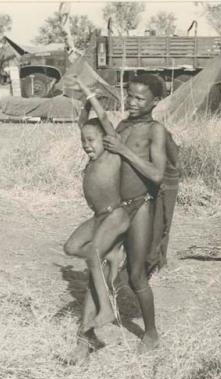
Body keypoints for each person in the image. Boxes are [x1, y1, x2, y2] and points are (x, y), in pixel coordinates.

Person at [66, 74, 171, 362]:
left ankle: (150, 334)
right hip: (115, 208)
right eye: (131, 96)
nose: (133, 103)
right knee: (95, 268)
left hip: (140, 208)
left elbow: (157, 175)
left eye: (141, 98)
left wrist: (124, 150)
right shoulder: (122, 126)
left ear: (155, 101)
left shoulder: (154, 130)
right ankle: (83, 343)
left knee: (136, 275)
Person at [63, 76, 130, 334]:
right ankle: (111, 254)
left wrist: (89, 94)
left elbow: (102, 120)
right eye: (83, 141)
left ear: (105, 139)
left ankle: (107, 309)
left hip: (116, 213)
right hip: (99, 216)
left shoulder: (112, 152)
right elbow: (85, 122)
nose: (86, 145)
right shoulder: (92, 157)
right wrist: (83, 104)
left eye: (91, 140)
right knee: (71, 247)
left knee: (92, 255)